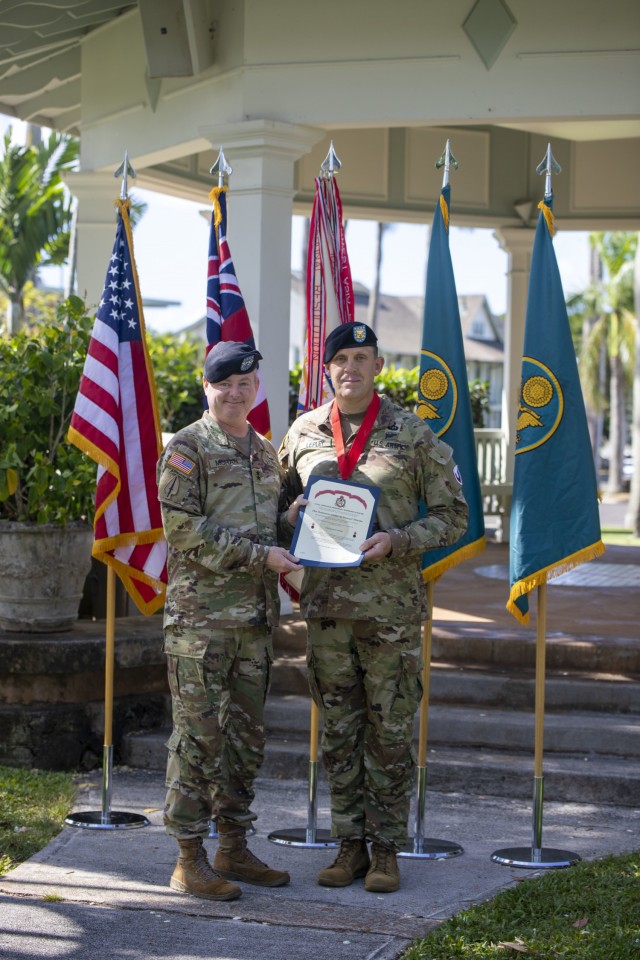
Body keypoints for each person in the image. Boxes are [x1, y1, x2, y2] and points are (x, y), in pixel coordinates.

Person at [279, 321, 468, 893]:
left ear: (379, 366)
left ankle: (386, 851)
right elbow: (280, 502)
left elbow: (454, 517)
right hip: (328, 610)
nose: (351, 369)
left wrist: (399, 540)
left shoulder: (414, 435)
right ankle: (348, 847)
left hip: (389, 611)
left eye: (362, 358)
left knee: (389, 731)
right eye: (341, 359)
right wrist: (290, 517)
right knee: (338, 730)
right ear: (326, 367)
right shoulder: (305, 431)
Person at [157, 341, 302, 902]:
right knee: (198, 739)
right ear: (207, 386)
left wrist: (293, 522)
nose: (236, 393)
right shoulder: (187, 449)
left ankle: (233, 847)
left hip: (254, 622)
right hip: (201, 624)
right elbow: (184, 532)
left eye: (246, 383)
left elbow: (269, 530)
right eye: (225, 384)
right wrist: (258, 555)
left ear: (256, 388)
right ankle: (188, 859)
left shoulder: (265, 452)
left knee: (245, 740)